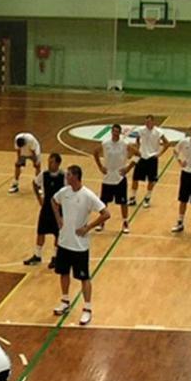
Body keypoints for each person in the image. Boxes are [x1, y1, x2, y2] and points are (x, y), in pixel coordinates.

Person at [51, 165, 110, 325]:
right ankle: (65, 301)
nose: (66, 177)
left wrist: (88, 227)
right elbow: (53, 201)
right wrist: (59, 219)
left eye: (69, 174)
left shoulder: (87, 195)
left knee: (84, 278)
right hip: (64, 242)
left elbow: (106, 213)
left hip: (79, 246)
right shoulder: (64, 192)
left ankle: (87, 308)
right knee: (63, 273)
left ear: (76, 176)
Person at [22, 151, 64, 268]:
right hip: (46, 207)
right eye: (48, 162)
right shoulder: (44, 174)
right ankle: (37, 255)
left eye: (52, 162)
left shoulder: (64, 176)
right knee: (41, 231)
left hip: (58, 209)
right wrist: (39, 198)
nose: (49, 164)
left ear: (58, 163)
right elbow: (35, 184)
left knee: (57, 233)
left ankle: (55, 257)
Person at [92, 124, 136, 234]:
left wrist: (128, 168)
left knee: (123, 202)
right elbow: (95, 152)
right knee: (104, 202)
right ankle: (102, 221)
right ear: (111, 132)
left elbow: (138, 154)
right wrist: (100, 166)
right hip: (108, 177)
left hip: (120, 177)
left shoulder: (124, 144)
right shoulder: (105, 143)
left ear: (120, 133)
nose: (115, 133)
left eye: (117, 131)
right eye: (114, 131)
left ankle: (125, 222)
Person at [129, 115, 170, 208]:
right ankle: (132, 198)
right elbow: (137, 140)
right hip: (142, 156)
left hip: (152, 158)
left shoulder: (158, 132)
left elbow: (167, 143)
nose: (147, 123)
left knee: (151, 180)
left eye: (149, 122)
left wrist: (159, 154)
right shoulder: (141, 130)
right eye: (146, 122)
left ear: (153, 122)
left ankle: (147, 198)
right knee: (135, 178)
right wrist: (137, 149)